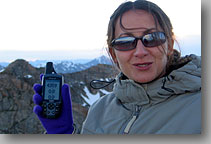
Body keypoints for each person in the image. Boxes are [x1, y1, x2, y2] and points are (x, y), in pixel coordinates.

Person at [33, 0, 201, 134]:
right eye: (125, 42)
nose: (140, 51)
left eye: (153, 38)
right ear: (113, 54)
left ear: (170, 44)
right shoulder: (99, 110)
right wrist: (63, 134)